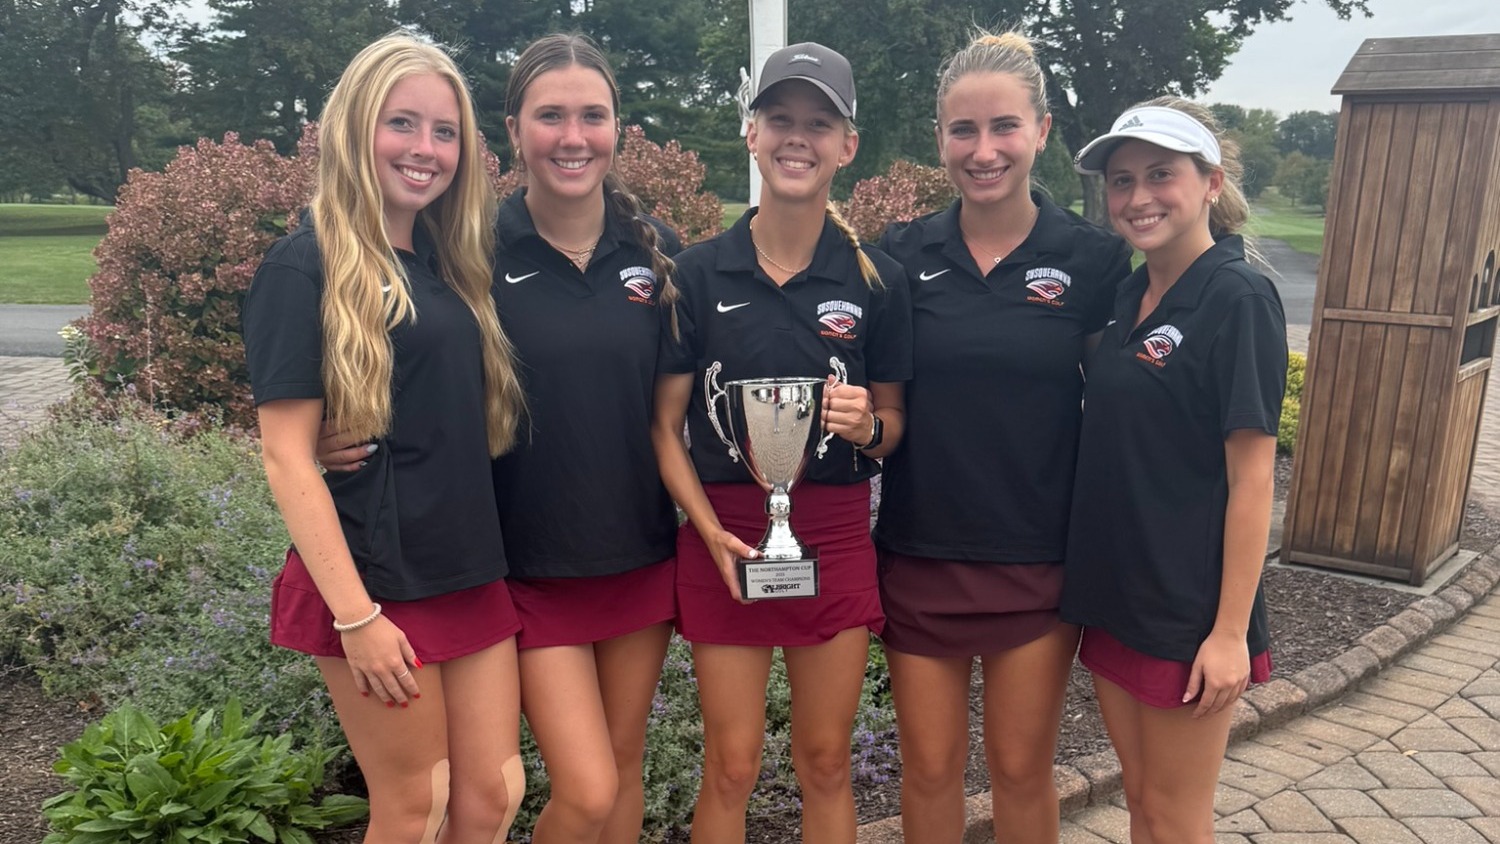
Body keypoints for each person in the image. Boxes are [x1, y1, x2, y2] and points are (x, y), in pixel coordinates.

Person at [317, 32, 684, 844]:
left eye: (593, 115)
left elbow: (694, 397)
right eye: (550, 115)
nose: (573, 136)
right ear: (513, 130)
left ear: (618, 126)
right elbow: (396, 353)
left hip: (641, 554)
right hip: (520, 564)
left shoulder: (656, 252)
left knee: (622, 770)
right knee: (582, 789)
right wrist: (314, 436)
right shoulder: (467, 247)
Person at [242, 32, 529, 843]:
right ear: (353, 128)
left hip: (468, 568)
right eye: (402, 124)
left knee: (493, 798)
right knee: (415, 807)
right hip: (374, 583)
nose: (425, 149)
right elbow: (285, 452)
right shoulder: (305, 264)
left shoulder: (446, 263)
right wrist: (355, 617)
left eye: (444, 132)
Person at [871, 30, 1133, 844]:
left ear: (1042, 131)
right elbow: (884, 409)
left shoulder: (1093, 262)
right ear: (940, 138)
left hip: (1038, 563)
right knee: (929, 771)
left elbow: (1125, 408)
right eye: (963, 131)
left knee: (1022, 771)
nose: (983, 152)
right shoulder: (899, 257)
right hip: (919, 557)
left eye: (1004, 128)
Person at [651, 43, 912, 844]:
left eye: (818, 123)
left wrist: (867, 427)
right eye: (780, 119)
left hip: (830, 528)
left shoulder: (875, 281)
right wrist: (705, 530)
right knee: (732, 764)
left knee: (827, 760)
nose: (798, 138)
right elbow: (664, 427)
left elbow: (894, 428)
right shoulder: (695, 274)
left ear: (847, 144)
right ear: (752, 133)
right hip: (721, 531)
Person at [1064, 97, 1285, 843]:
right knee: (1142, 802)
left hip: (1189, 612)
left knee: (1178, 818)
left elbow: (1254, 477)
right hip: (1120, 589)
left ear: (1211, 183)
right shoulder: (1131, 293)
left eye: (1161, 174)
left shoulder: (1238, 295)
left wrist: (1228, 633)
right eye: (1121, 181)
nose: (1137, 197)